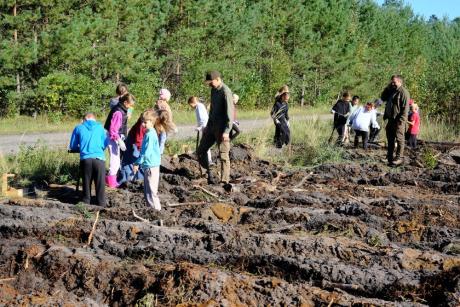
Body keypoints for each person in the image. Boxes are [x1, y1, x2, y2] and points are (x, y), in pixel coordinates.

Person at [197, 70, 233, 185]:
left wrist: (227, 131)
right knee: (201, 150)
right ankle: (207, 173)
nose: (209, 84)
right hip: (212, 127)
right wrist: (207, 126)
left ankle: (224, 181)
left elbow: (230, 114)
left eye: (211, 82)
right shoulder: (213, 90)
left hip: (222, 129)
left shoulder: (226, 92)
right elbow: (212, 110)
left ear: (218, 79)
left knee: (223, 155)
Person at [133, 109, 174, 210]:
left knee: (151, 191)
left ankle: (156, 211)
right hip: (149, 165)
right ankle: (150, 210)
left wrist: (137, 163)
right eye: (142, 122)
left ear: (152, 122)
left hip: (151, 166)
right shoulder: (149, 133)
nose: (143, 124)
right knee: (147, 191)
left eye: (145, 122)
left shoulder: (150, 134)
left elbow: (146, 152)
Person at [69, 113, 108, 206]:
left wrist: (82, 148)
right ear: (94, 119)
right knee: (100, 184)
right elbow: (105, 143)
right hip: (99, 159)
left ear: (84, 119)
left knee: (86, 183)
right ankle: (101, 203)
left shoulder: (78, 127)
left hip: (85, 159)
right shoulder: (101, 128)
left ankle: (86, 201)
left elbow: (73, 146)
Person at [104, 93, 135, 187]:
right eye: (130, 105)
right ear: (125, 102)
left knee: (116, 160)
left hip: (116, 137)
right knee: (115, 161)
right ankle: (111, 182)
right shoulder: (118, 112)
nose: (130, 107)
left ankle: (109, 179)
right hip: (112, 138)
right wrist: (119, 140)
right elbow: (113, 130)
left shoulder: (121, 109)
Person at [381, 74, 410, 166]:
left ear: (399, 82)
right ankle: (389, 158)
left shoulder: (404, 92)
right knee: (390, 139)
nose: (392, 83)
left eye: (394, 82)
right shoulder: (391, 91)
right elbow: (383, 98)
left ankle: (399, 158)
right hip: (391, 120)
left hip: (399, 121)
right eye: (391, 82)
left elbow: (405, 109)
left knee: (399, 139)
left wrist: (401, 121)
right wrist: (387, 87)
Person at [188, 96, 212, 165]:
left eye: (190, 105)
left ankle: (208, 160)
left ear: (192, 103)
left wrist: (201, 127)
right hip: (204, 127)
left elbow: (203, 118)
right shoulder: (199, 106)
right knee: (204, 143)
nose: (191, 106)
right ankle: (206, 159)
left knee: (205, 144)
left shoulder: (199, 107)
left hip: (205, 127)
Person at [154, 88, 174, 154]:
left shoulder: (157, 104)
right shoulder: (164, 105)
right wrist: (171, 126)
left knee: (157, 140)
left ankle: (156, 154)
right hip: (164, 126)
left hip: (157, 126)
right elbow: (167, 117)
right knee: (161, 141)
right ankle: (159, 155)